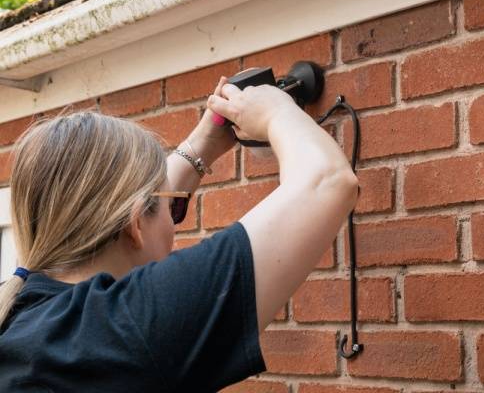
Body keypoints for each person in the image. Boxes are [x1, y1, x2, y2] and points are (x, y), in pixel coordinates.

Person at [0, 77, 359, 392]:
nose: (173, 220)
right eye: (171, 207)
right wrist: (278, 112)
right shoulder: (124, 328)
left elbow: (121, 208)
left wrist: (203, 143)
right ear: (135, 225)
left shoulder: (26, 310)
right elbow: (327, 181)